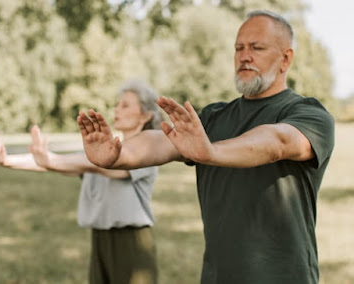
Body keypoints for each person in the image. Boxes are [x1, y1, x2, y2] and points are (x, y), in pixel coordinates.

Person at [77, 10, 335, 284]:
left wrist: (211, 153)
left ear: (286, 59)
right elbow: (160, 141)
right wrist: (118, 155)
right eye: (239, 48)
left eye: (257, 48)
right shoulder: (213, 118)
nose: (244, 56)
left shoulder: (309, 114)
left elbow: (278, 142)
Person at [0, 79, 164, 284]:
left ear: (146, 115)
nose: (117, 109)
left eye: (125, 105)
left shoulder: (148, 151)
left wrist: (52, 159)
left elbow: (100, 166)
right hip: (100, 238)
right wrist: (7, 160)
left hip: (131, 241)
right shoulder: (102, 151)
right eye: (117, 104)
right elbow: (64, 163)